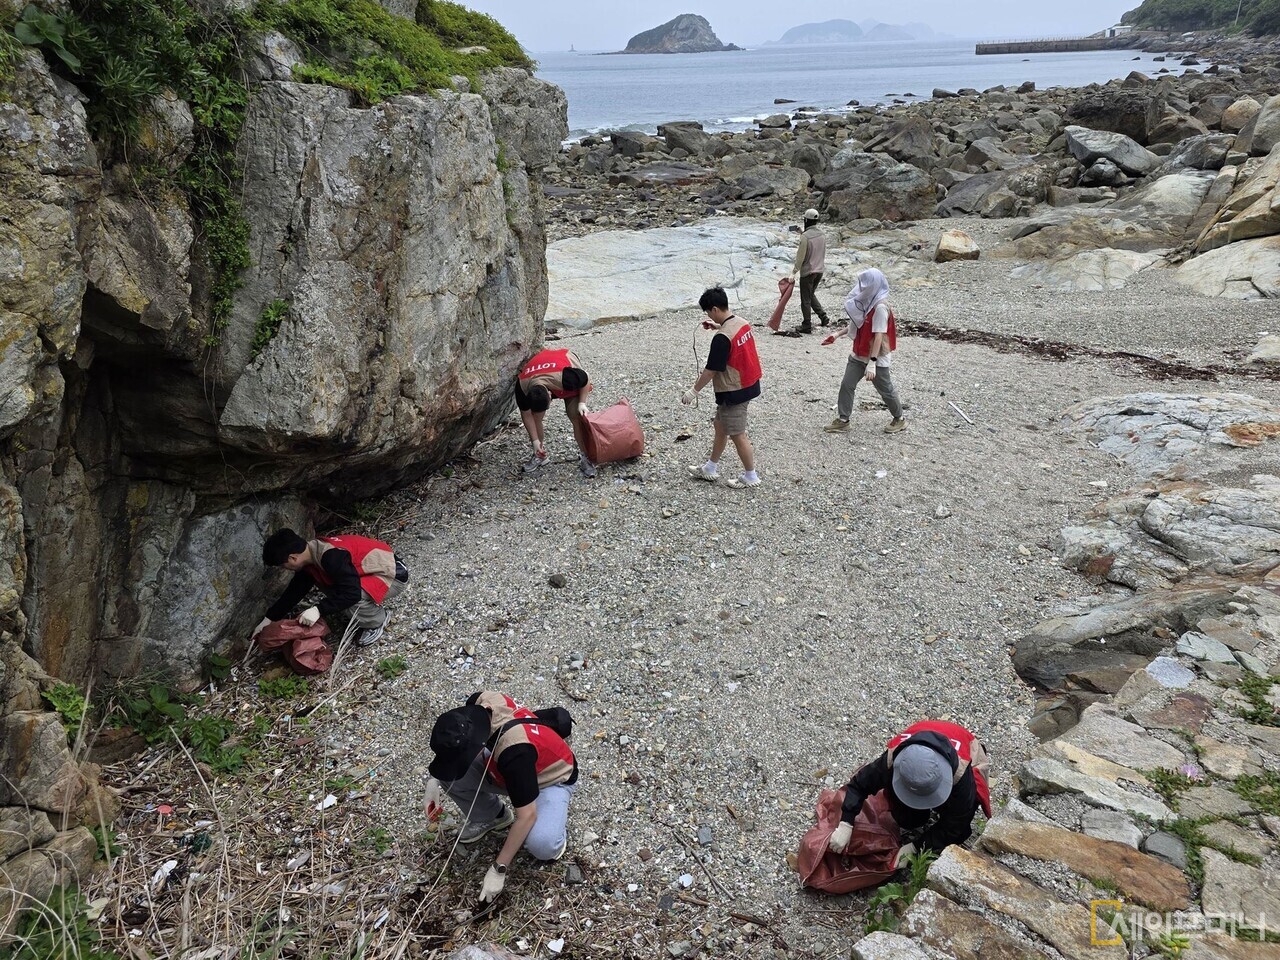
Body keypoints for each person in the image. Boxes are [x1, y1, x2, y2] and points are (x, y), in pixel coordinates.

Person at [422, 691, 578, 903]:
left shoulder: (514, 752)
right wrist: (434, 781)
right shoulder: (480, 702)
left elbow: (527, 815)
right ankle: (494, 817)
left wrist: (498, 869)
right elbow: (454, 755)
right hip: (506, 767)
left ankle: (554, 833)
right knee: (451, 777)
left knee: (542, 845)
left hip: (550, 778)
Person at [828, 720, 991, 862]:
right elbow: (859, 785)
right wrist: (846, 823)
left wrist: (916, 847)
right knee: (908, 819)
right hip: (926, 735)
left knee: (958, 831)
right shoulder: (893, 759)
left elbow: (957, 825)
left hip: (967, 749)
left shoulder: (962, 776)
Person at [253, 529, 408, 647]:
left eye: (283, 565)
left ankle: (376, 621)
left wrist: (318, 610)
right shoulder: (312, 554)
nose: (285, 569)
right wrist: (269, 619)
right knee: (338, 593)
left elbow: (351, 594)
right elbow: (294, 592)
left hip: (393, 575)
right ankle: (365, 611)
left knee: (349, 599)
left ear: (292, 558)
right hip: (371, 571)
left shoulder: (331, 557)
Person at [682, 287, 762, 489]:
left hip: (734, 390)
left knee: (737, 434)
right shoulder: (741, 323)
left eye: (709, 312)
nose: (709, 316)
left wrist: (693, 391)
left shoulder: (721, 339)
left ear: (715, 309)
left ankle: (751, 476)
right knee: (720, 426)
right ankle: (710, 468)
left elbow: (711, 370)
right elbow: (731, 334)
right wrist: (717, 326)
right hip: (750, 383)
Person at [821, 268, 906, 434]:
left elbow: (879, 335)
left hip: (876, 356)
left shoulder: (880, 307)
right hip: (859, 352)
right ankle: (843, 420)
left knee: (885, 389)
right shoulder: (867, 302)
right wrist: (836, 335)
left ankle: (899, 418)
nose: (862, 288)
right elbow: (858, 323)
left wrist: (872, 363)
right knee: (847, 384)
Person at [515, 348, 596, 478]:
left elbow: (585, 378)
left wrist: (582, 403)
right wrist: (535, 442)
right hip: (541, 373)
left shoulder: (568, 377)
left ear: (550, 394)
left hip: (562, 369)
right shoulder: (522, 387)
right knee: (536, 417)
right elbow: (526, 415)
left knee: (575, 415)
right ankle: (539, 454)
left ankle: (585, 457)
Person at [789, 208, 830, 334]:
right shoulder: (822, 235)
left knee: (805, 299)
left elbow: (800, 257)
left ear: (806, 220)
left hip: (808, 272)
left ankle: (806, 325)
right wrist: (802, 233)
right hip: (819, 270)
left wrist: (793, 272)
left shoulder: (805, 237)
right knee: (811, 294)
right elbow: (815, 245)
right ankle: (823, 316)